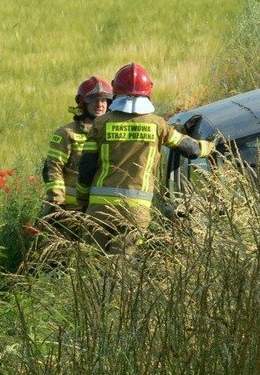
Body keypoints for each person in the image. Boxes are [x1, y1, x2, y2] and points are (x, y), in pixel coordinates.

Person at [80, 62, 216, 250]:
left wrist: (81, 198)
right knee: (122, 268)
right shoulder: (157, 125)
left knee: (93, 266)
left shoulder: (101, 124)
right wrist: (211, 146)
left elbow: (85, 168)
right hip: (136, 211)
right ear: (148, 90)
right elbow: (191, 150)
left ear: (115, 90)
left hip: (99, 209)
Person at [40, 76, 110, 235]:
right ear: (83, 103)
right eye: (94, 100)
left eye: (104, 100)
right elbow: (53, 168)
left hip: (99, 210)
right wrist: (57, 204)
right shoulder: (67, 133)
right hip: (70, 210)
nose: (100, 105)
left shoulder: (109, 134)